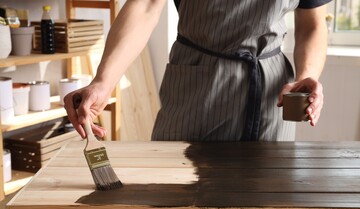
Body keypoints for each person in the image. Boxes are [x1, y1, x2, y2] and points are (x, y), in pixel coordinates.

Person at [64, 0, 331, 142]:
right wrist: (103, 81)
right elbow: (145, 5)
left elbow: (312, 23)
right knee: (175, 197)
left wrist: (307, 75)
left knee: (265, 204)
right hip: (196, 82)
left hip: (269, 93)